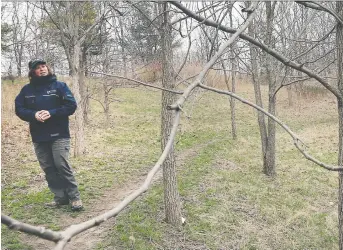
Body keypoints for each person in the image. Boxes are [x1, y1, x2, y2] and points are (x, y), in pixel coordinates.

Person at [15, 59, 83, 211]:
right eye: (38, 68)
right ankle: (60, 197)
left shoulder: (60, 86)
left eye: (44, 66)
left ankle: (75, 197)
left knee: (61, 164)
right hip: (39, 135)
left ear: (48, 68)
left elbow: (71, 106)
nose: (42, 69)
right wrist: (34, 115)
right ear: (32, 72)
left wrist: (51, 113)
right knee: (48, 168)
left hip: (60, 133)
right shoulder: (26, 90)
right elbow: (19, 109)